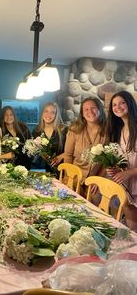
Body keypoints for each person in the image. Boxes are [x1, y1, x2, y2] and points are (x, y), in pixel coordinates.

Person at [57, 97, 108, 200]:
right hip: (75, 175)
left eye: (93, 108)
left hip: (95, 178)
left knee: (95, 204)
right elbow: (68, 155)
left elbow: (107, 160)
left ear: (100, 110)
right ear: (82, 114)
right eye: (86, 109)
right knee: (71, 202)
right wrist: (70, 176)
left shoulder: (108, 131)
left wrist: (99, 179)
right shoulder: (74, 129)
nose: (90, 111)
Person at [107, 91, 137, 231]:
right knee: (132, 229)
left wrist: (130, 172)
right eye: (114, 104)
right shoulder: (117, 130)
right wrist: (118, 170)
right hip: (127, 185)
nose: (118, 107)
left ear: (130, 103)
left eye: (122, 103)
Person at [32, 101, 67, 173]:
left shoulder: (63, 130)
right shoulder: (36, 131)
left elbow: (73, 151)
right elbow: (33, 152)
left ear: (56, 115)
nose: (48, 114)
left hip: (60, 171)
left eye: (52, 112)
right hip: (40, 170)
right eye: (46, 111)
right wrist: (41, 155)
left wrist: (61, 156)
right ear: (42, 113)